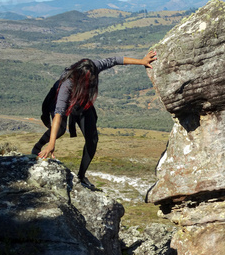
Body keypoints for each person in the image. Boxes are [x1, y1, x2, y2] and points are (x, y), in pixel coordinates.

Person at [32, 51, 157, 190]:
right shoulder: (68, 84)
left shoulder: (93, 67)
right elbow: (58, 114)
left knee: (92, 140)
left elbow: (116, 60)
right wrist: (51, 144)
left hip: (82, 102)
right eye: (88, 80)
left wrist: (142, 61)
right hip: (64, 102)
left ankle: (81, 176)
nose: (92, 81)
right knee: (60, 129)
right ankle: (37, 149)